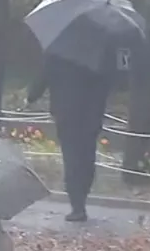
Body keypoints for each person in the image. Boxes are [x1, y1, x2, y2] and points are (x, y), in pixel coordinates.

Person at [26, 54, 113, 222]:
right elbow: (107, 83)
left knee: (71, 157)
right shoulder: (96, 53)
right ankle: (83, 195)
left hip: (66, 113)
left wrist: (31, 96)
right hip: (91, 115)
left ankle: (77, 204)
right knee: (88, 156)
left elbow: (42, 78)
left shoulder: (57, 53)